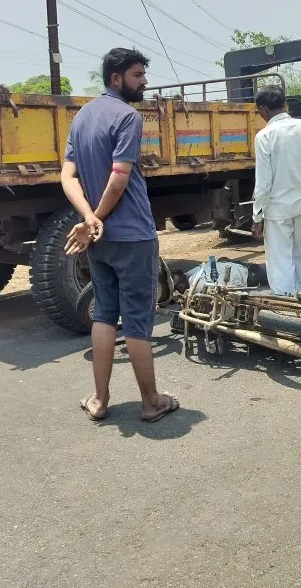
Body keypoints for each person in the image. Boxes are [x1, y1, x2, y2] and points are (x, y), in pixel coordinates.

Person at [59, 47, 180, 423]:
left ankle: (99, 399)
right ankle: (150, 402)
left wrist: (88, 219)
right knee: (139, 320)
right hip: (133, 236)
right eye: (137, 75)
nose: (144, 82)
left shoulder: (81, 117)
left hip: (101, 240)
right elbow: (120, 176)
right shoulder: (127, 116)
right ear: (116, 78)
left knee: (105, 315)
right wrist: (95, 216)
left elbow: (67, 176)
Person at [250, 85, 301, 296]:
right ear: (284, 104)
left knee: (280, 261)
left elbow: (263, 183)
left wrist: (257, 216)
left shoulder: (265, 136)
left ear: (262, 110)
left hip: (277, 208)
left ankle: (285, 306)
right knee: (299, 255)